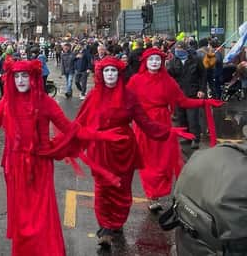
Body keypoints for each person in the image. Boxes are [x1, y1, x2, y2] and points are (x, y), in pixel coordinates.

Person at [0, 59, 126, 256]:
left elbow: (71, 129)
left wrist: (102, 136)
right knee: (22, 215)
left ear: (33, 77)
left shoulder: (45, 102)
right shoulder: (7, 102)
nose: (20, 80)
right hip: (15, 165)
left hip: (39, 165)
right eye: (16, 76)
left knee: (42, 213)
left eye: (24, 75)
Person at [74, 56, 181, 248]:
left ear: (119, 73)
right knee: (103, 189)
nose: (110, 74)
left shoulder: (129, 96)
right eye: (106, 71)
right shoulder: (93, 96)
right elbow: (79, 124)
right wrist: (62, 143)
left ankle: (116, 222)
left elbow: (145, 123)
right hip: (102, 150)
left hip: (124, 149)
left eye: (113, 71)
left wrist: (169, 131)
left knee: (123, 190)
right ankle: (105, 228)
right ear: (101, 73)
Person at [127, 48, 223, 212]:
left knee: (166, 161)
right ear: (145, 62)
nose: (155, 62)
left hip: (164, 125)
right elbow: (125, 101)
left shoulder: (168, 81)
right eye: (151, 60)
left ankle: (171, 193)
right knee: (148, 163)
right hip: (144, 126)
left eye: (158, 59)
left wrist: (204, 103)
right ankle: (152, 197)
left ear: (162, 62)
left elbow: (183, 101)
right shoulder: (136, 80)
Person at [166, 41, 207, 149]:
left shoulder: (196, 60)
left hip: (192, 93)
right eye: (176, 50)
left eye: (180, 50)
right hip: (179, 94)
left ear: (186, 50)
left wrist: (202, 89)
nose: (178, 52)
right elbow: (168, 76)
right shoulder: (173, 61)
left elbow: (203, 75)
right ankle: (186, 136)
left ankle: (195, 138)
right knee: (181, 117)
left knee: (193, 118)